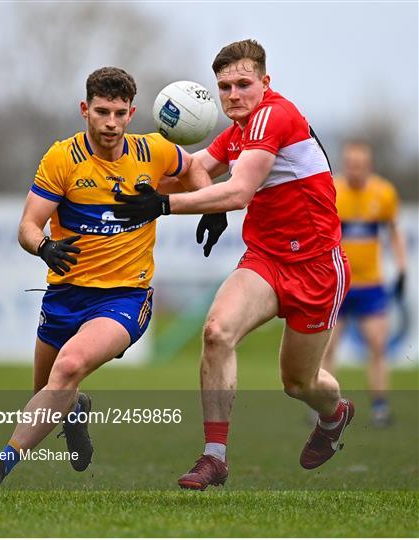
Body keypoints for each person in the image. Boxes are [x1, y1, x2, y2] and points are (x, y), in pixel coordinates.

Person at [114, 39, 355, 490]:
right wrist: (121, 183)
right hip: (265, 259)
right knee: (216, 331)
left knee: (299, 384)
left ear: (266, 83)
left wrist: (163, 205)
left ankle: (335, 415)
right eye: (224, 86)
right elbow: (197, 166)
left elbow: (239, 191)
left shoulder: (275, 115)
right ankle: (214, 457)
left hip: (318, 266)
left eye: (243, 84)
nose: (233, 95)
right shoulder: (238, 130)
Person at [0, 66, 220, 496]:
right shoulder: (61, 158)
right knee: (50, 391)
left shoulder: (154, 151)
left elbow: (193, 167)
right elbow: (28, 226)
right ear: (85, 110)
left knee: (67, 369)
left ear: (132, 113)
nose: (110, 122)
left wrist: (210, 208)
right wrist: (44, 247)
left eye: (119, 113)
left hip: (125, 298)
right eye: (101, 111)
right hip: (64, 296)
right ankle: (75, 410)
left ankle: (0, 465)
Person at [321, 140, 407, 427]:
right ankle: (323, 408)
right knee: (327, 348)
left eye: (361, 165)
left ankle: (380, 408)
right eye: (351, 165)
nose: (355, 170)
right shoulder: (332, 191)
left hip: (371, 286)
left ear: (368, 166)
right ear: (345, 165)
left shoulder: (383, 193)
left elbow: (394, 232)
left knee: (378, 346)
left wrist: (403, 268)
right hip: (338, 285)